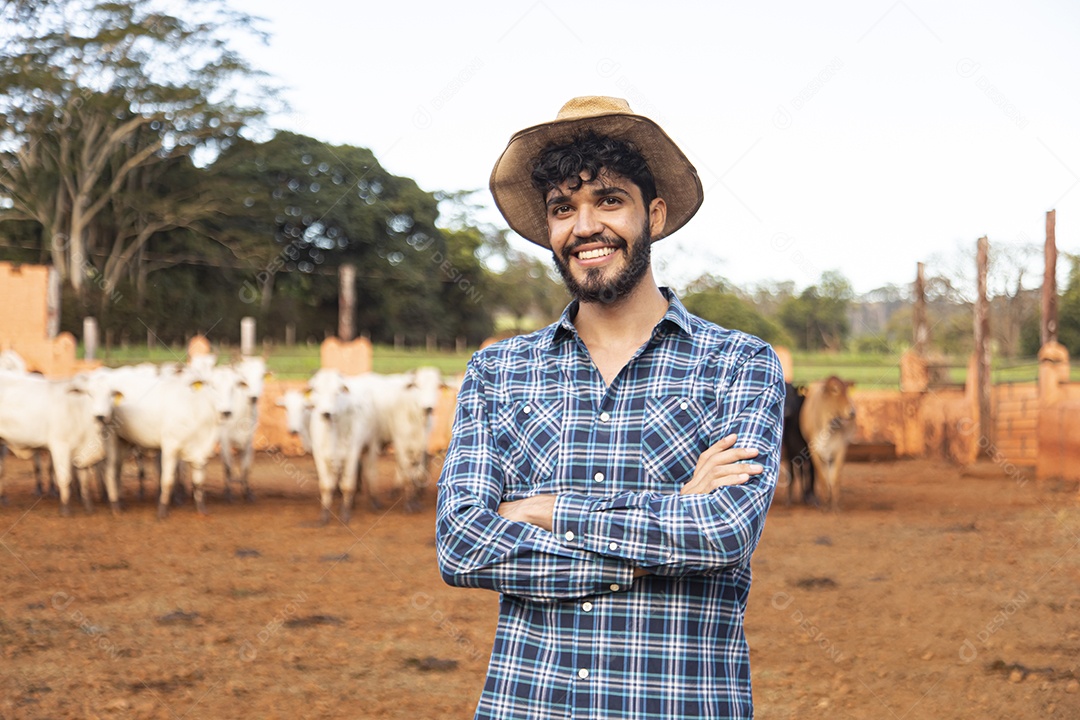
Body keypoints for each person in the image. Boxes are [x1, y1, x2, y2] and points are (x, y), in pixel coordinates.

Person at [436, 96, 784, 719]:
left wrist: (544, 511)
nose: (585, 227)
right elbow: (462, 544)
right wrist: (671, 516)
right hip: (531, 704)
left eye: (609, 201)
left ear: (653, 213)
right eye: (563, 208)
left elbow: (724, 532)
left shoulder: (740, 364)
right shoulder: (498, 373)